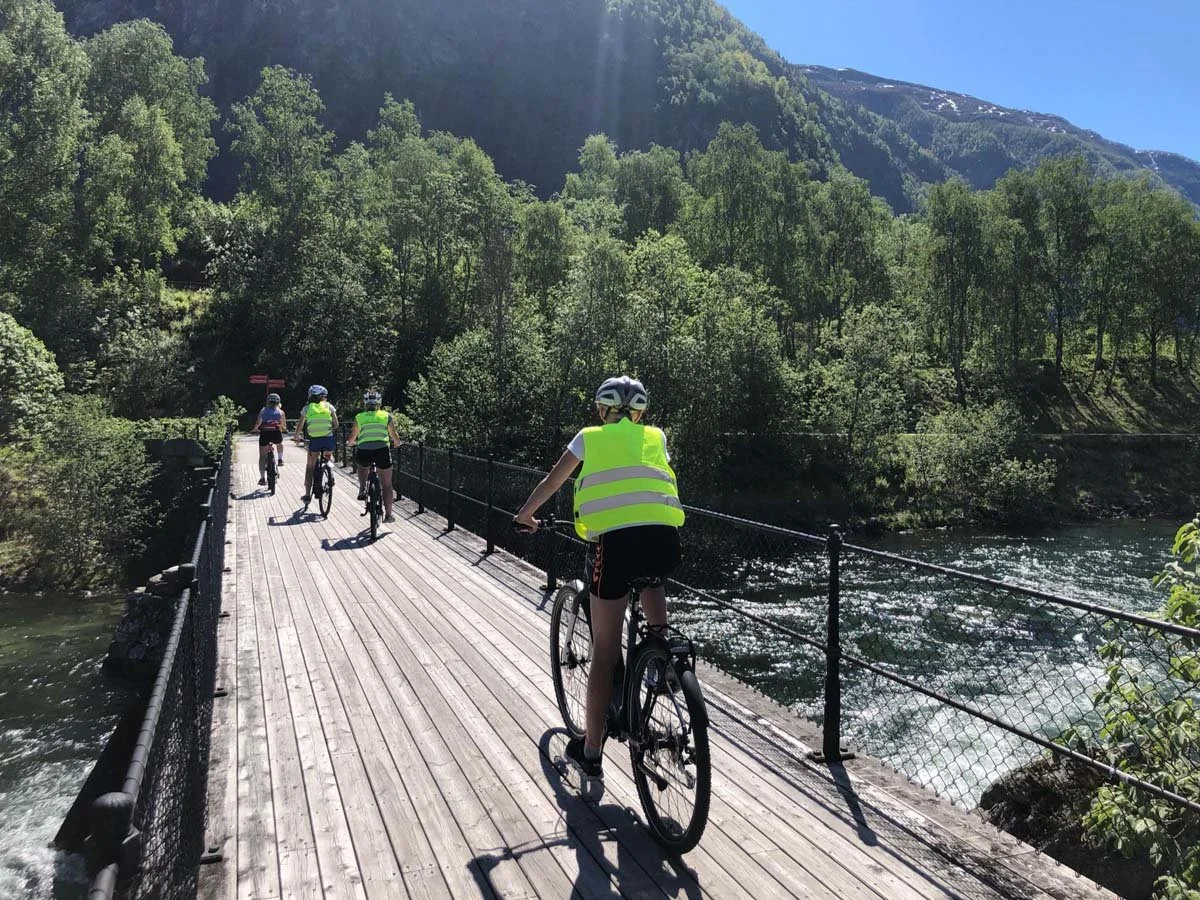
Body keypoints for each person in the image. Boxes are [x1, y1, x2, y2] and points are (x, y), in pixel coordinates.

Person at [514, 375, 684, 786]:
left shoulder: (589, 437)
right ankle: (663, 661)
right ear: (641, 413)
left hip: (616, 542)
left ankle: (591, 752)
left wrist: (525, 514)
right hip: (664, 538)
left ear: (601, 410)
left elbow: (554, 480)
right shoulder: (656, 436)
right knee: (651, 584)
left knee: (605, 650)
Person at [346, 390, 402, 523]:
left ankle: (362, 488)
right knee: (387, 485)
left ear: (365, 404)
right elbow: (394, 436)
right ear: (379, 403)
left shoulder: (359, 417)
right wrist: (397, 443)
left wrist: (350, 443)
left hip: (364, 449)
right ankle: (388, 515)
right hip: (382, 450)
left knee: (362, 466)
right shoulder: (386, 416)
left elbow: (353, 437)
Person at [293, 384, 339, 503]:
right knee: (329, 456)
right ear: (324, 397)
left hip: (314, 440)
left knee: (310, 466)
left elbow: (300, 424)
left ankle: (307, 494)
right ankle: (330, 471)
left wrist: (296, 436)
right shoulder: (329, 406)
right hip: (327, 439)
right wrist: (330, 429)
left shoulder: (307, 408)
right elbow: (336, 424)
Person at [250, 393, 287, 485]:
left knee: (262, 456)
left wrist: (255, 429)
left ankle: (262, 478)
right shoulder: (281, 412)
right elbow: (283, 425)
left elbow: (258, 422)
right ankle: (280, 459)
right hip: (276, 433)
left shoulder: (263, 411)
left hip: (265, 434)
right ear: (278, 402)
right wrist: (283, 429)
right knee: (280, 443)